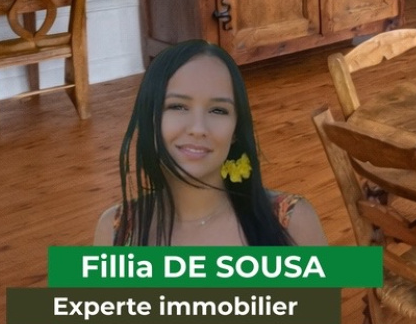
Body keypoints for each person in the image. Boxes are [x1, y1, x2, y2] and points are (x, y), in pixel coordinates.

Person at [93, 40, 326, 246]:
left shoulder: (291, 222)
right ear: (149, 119)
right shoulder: (115, 231)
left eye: (218, 110)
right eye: (178, 106)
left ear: (235, 130)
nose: (198, 128)